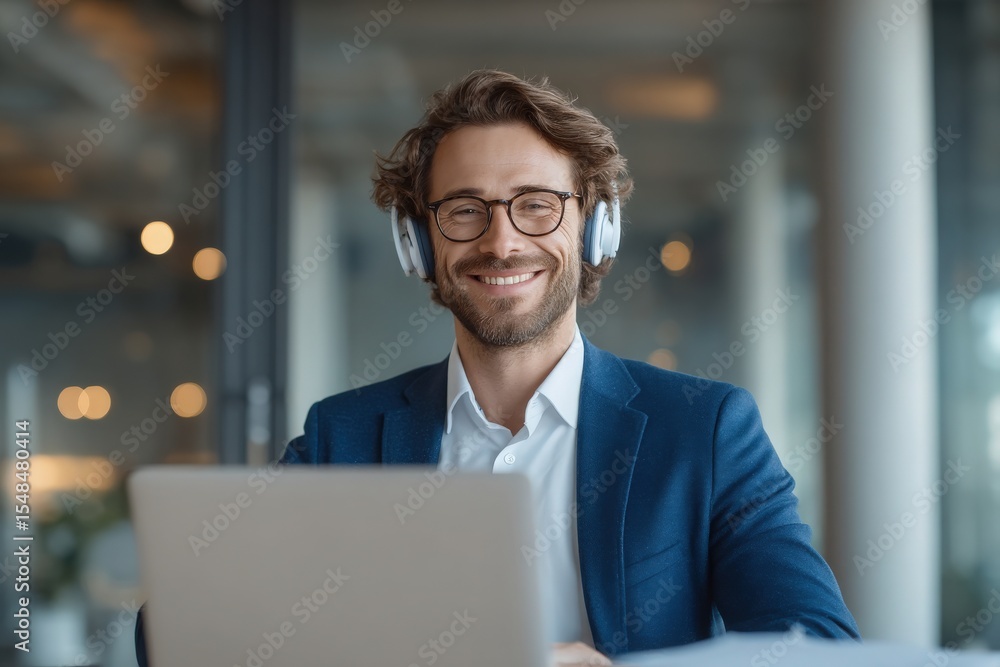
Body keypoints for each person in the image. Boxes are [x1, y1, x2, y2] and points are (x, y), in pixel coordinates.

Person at [135, 69, 859, 667]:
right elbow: (172, 636)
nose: (501, 241)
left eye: (537, 206)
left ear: (595, 225)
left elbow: (821, 650)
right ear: (418, 242)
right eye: (464, 211)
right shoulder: (343, 435)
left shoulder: (704, 430)